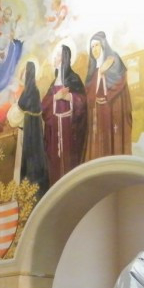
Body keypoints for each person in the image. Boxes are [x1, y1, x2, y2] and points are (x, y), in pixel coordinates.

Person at [42, 44, 87, 185]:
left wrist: (70, 97)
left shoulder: (73, 79)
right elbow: (43, 106)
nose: (54, 58)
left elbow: (84, 102)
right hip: (55, 130)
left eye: (58, 55)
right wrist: (56, 97)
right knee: (55, 162)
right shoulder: (53, 83)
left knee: (70, 161)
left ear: (64, 58)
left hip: (70, 128)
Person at [84, 31, 132, 161]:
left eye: (97, 45)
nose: (94, 49)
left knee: (112, 142)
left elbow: (121, 80)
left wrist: (108, 94)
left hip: (112, 109)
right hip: (98, 112)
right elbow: (88, 91)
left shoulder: (114, 60)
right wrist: (100, 72)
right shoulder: (93, 68)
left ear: (103, 45)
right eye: (92, 47)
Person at [17, 61, 50, 196]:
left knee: (29, 151)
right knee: (36, 151)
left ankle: (29, 179)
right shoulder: (35, 90)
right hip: (36, 125)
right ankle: (37, 178)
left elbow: (21, 104)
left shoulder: (28, 90)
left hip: (29, 125)